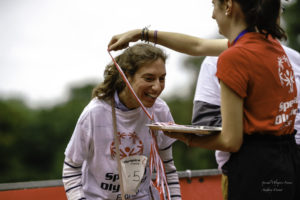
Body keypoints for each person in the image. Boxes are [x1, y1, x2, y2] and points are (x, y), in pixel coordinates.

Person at [108, 0, 300, 199]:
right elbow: (197, 45)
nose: (212, 15)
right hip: (286, 165)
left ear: (228, 6)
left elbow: (231, 141)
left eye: (213, 5)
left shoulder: (234, 58)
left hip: (254, 172)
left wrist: (186, 137)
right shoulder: (270, 45)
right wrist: (141, 33)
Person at [62, 43, 182, 200]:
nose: (157, 87)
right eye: (149, 78)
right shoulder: (94, 113)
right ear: (126, 76)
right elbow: (71, 169)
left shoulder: (160, 110)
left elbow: (167, 169)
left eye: (162, 78)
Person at [192, 44, 300, 199]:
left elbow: (230, 141)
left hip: (288, 167)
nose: (214, 17)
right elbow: (207, 123)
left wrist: (189, 139)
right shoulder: (217, 59)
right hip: (245, 170)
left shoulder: (293, 58)